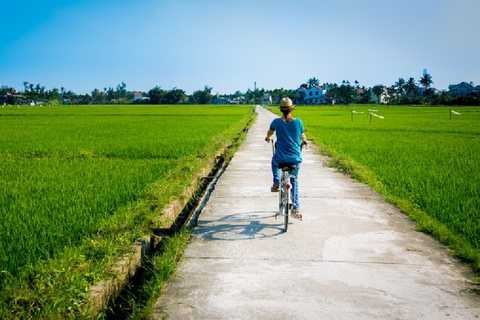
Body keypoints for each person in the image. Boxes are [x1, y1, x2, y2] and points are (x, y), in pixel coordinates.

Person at [265, 97, 307, 219]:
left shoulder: (276, 122)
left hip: (280, 158)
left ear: (281, 110)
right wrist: (304, 141)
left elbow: (270, 132)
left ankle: (276, 182)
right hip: (295, 158)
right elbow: (303, 135)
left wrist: (268, 138)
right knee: (294, 181)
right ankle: (296, 208)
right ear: (292, 109)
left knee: (274, 161)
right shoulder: (298, 122)